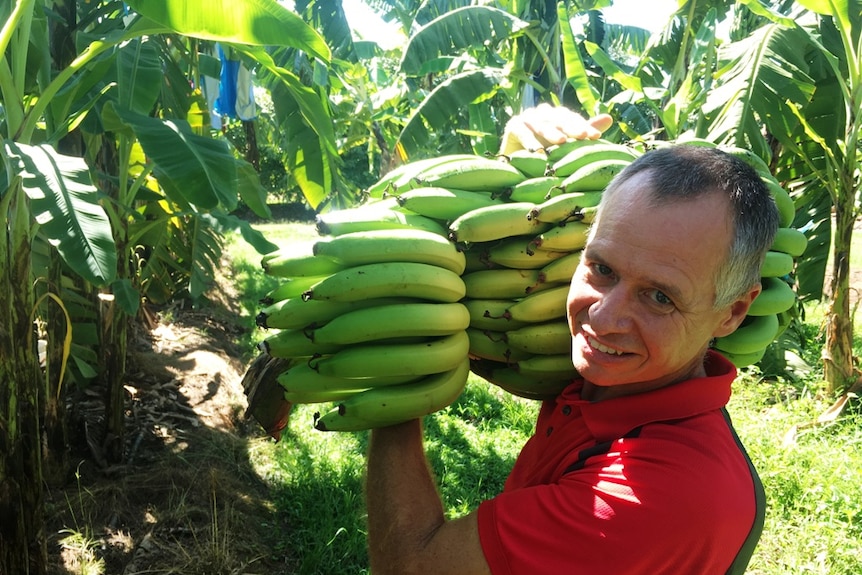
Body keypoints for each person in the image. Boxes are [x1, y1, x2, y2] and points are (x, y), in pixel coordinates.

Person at [364, 104, 777, 574]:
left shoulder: (654, 496)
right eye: (601, 268)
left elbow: (408, 566)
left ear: (734, 312)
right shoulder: (620, 379)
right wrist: (513, 166)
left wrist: (398, 377)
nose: (602, 317)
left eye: (659, 297)